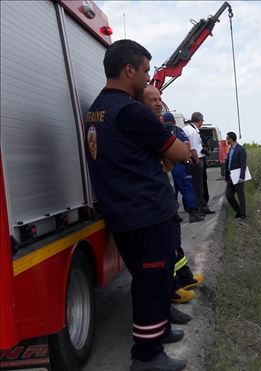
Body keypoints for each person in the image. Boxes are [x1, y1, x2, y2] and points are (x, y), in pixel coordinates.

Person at [84, 40, 188, 370]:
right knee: (152, 284)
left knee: (146, 282)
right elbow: (180, 154)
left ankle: (155, 337)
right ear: (129, 70)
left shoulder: (97, 109)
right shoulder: (130, 111)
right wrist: (165, 154)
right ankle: (147, 356)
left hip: (124, 214)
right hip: (146, 213)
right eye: (144, 72)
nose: (148, 79)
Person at [140, 86, 205, 306]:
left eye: (160, 99)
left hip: (164, 193)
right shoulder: (147, 128)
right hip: (154, 199)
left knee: (174, 241)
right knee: (165, 245)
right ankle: (174, 287)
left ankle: (184, 277)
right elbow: (177, 155)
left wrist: (173, 157)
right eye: (152, 100)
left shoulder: (159, 127)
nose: (158, 103)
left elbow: (170, 161)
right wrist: (177, 153)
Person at [183, 112, 214, 215]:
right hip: (196, 160)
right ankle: (202, 208)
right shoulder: (193, 132)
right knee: (199, 186)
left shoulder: (186, 129)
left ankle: (197, 207)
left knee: (193, 186)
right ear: (200, 121)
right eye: (202, 121)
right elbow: (193, 149)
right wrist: (197, 163)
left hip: (188, 160)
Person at [224, 131, 248, 218]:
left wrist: (242, 177)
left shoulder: (241, 149)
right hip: (230, 176)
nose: (226, 140)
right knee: (229, 196)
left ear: (231, 139)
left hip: (237, 176)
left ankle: (243, 214)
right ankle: (238, 210)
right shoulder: (230, 149)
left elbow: (243, 164)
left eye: (227, 138)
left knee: (240, 195)